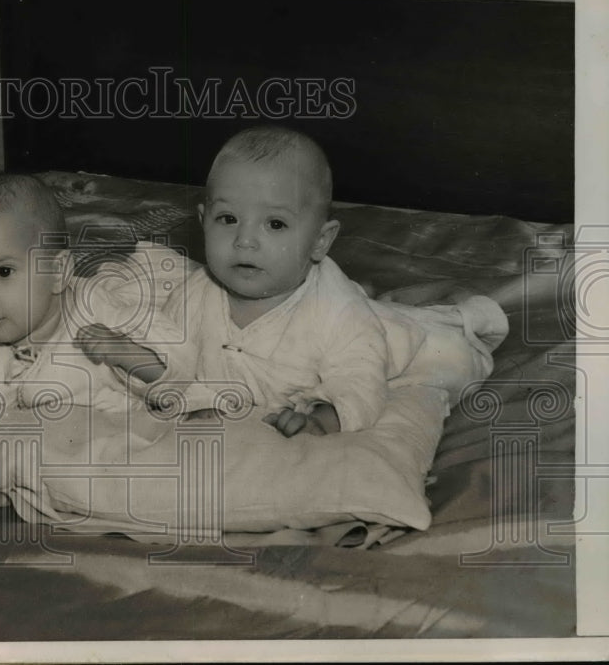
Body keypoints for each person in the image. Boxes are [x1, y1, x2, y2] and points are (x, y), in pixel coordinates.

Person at [156, 126, 507, 437]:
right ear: (203, 221)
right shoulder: (195, 294)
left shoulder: (337, 311)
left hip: (397, 349)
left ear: (320, 241)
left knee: (452, 362)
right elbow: (170, 357)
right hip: (350, 333)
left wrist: (326, 418)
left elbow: (359, 378)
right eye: (228, 218)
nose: (244, 240)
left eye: (275, 224)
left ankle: (463, 320)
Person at [0, 173, 185, 466]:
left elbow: (177, 372)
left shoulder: (99, 312)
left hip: (125, 434)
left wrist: (124, 352)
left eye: (3, 272)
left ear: (57, 272)